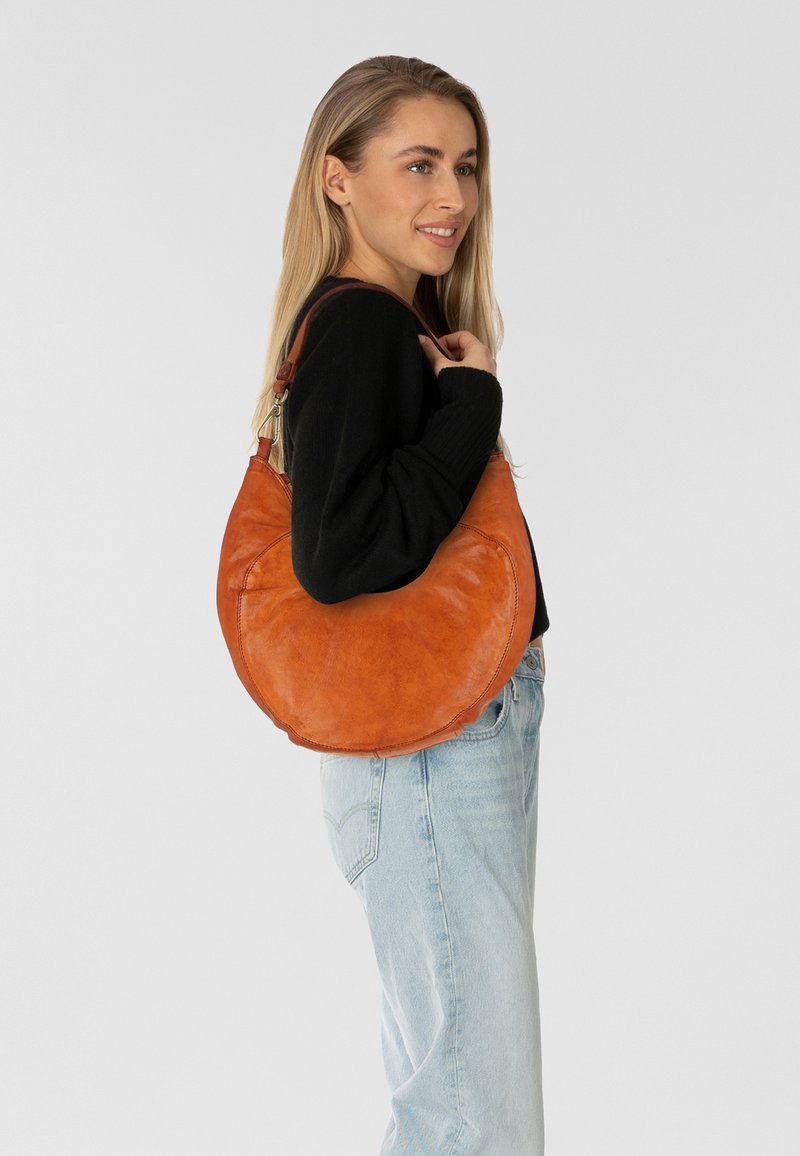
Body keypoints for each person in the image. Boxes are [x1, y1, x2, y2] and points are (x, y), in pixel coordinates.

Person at [251, 55, 550, 1155]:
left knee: (460, 1089)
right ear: (338, 179)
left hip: (439, 731)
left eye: (465, 167)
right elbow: (340, 554)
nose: (453, 196)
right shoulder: (361, 326)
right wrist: (470, 404)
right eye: (418, 164)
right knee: (472, 1109)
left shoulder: (385, 325)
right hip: (428, 740)